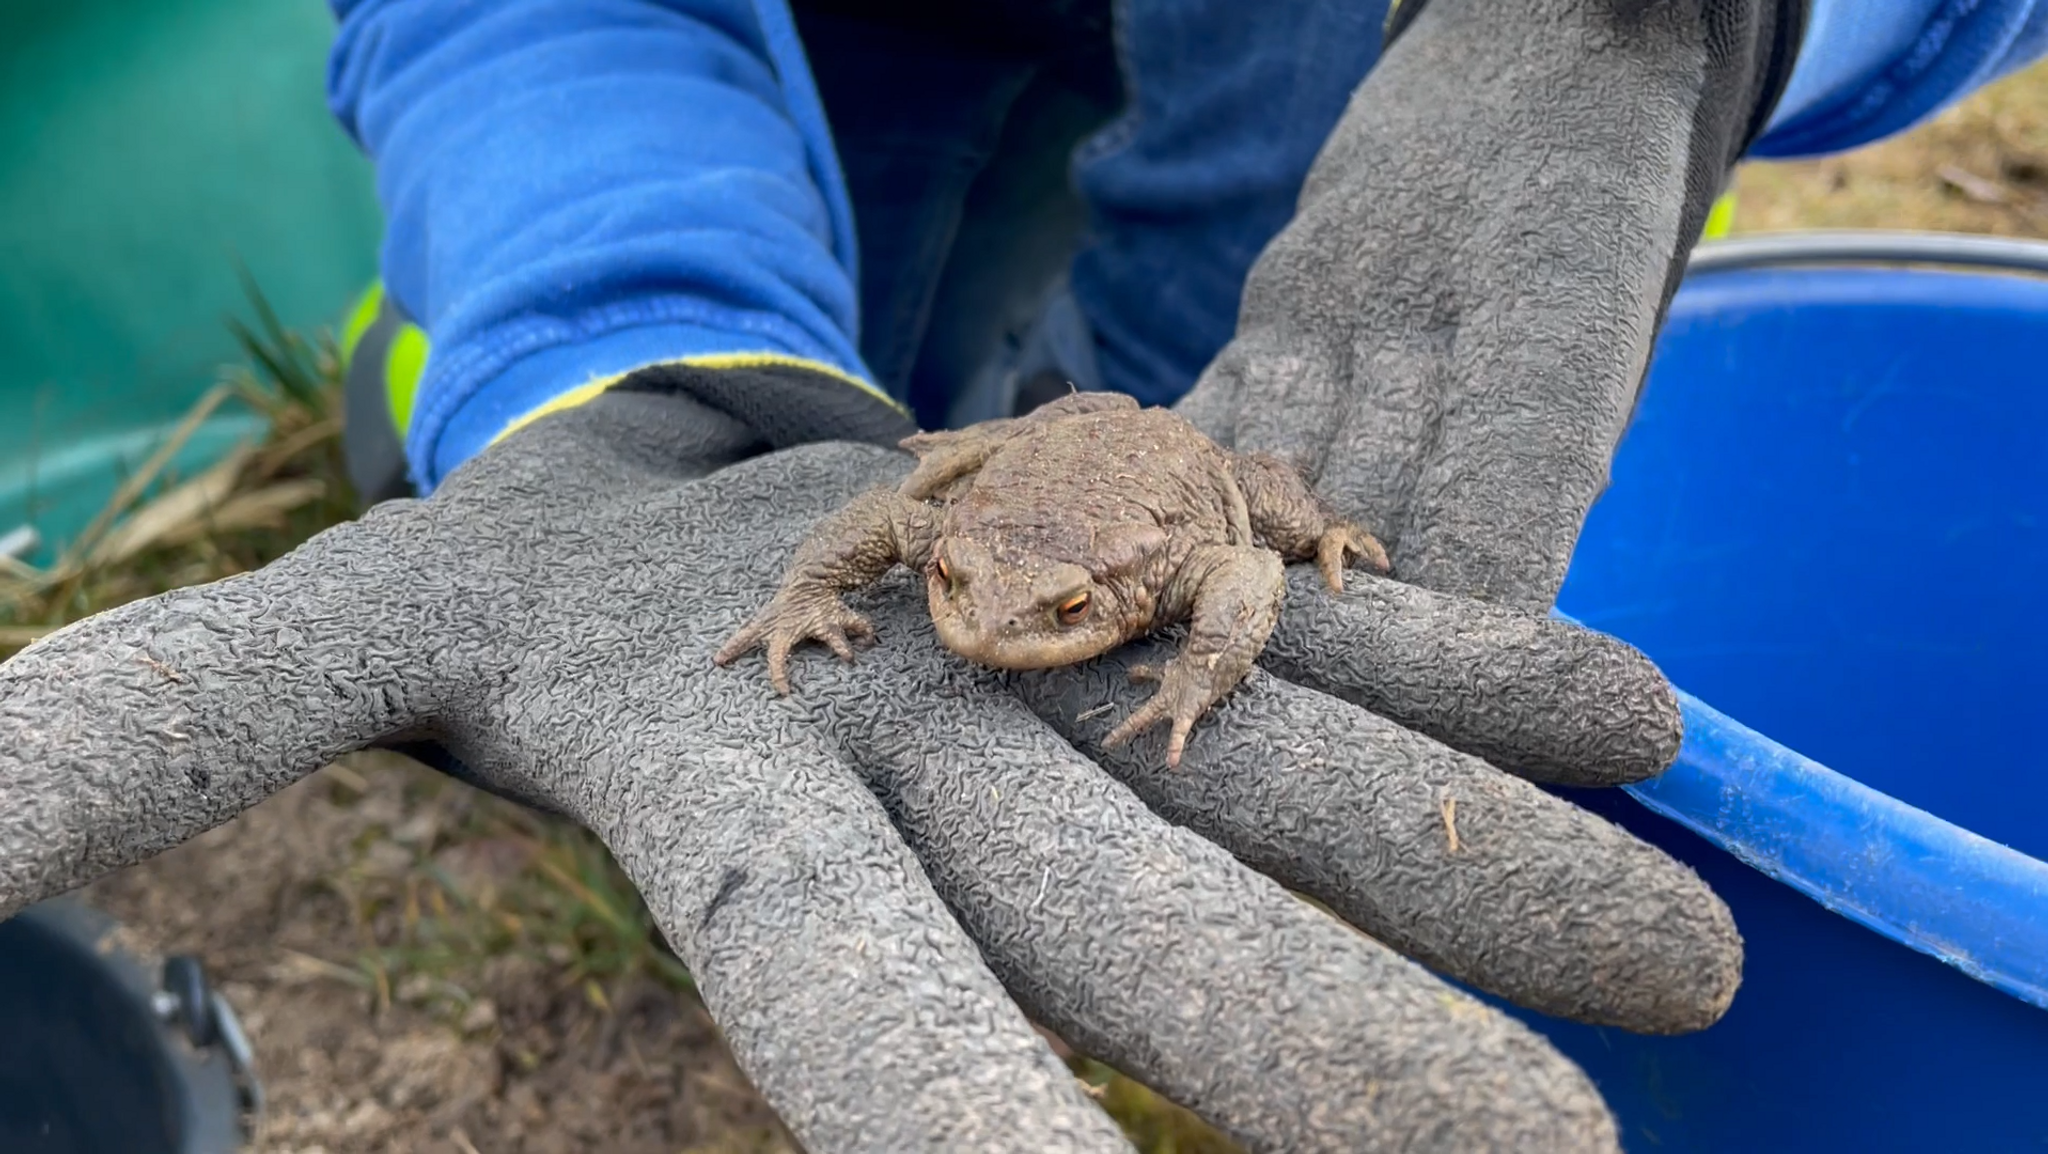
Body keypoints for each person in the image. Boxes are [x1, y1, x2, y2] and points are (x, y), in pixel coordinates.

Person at [3, 1, 2043, 1151]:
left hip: (1282, 171)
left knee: (1278, 442)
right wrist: (638, 363)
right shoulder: (963, 556)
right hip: (891, 211)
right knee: (880, 401)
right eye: (978, 609)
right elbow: (902, 516)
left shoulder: (1155, 577)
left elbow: (1233, 568)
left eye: (1030, 629)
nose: (980, 637)